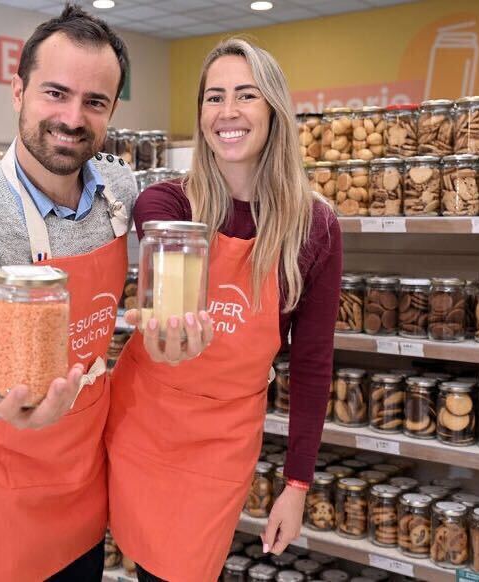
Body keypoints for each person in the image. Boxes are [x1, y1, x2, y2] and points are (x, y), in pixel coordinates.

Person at [105, 38, 343, 582]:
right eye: (214, 97)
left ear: (274, 110)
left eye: (246, 95)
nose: (227, 112)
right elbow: (164, 313)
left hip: (222, 441)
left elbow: (311, 362)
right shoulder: (167, 207)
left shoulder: (315, 228)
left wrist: (297, 486)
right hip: (146, 420)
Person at [0, 5, 137, 581]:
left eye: (94, 102)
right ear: (17, 91)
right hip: (0, 462)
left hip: (80, 456)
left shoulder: (118, 190)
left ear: (112, 111)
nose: (72, 117)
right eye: (55, 93)